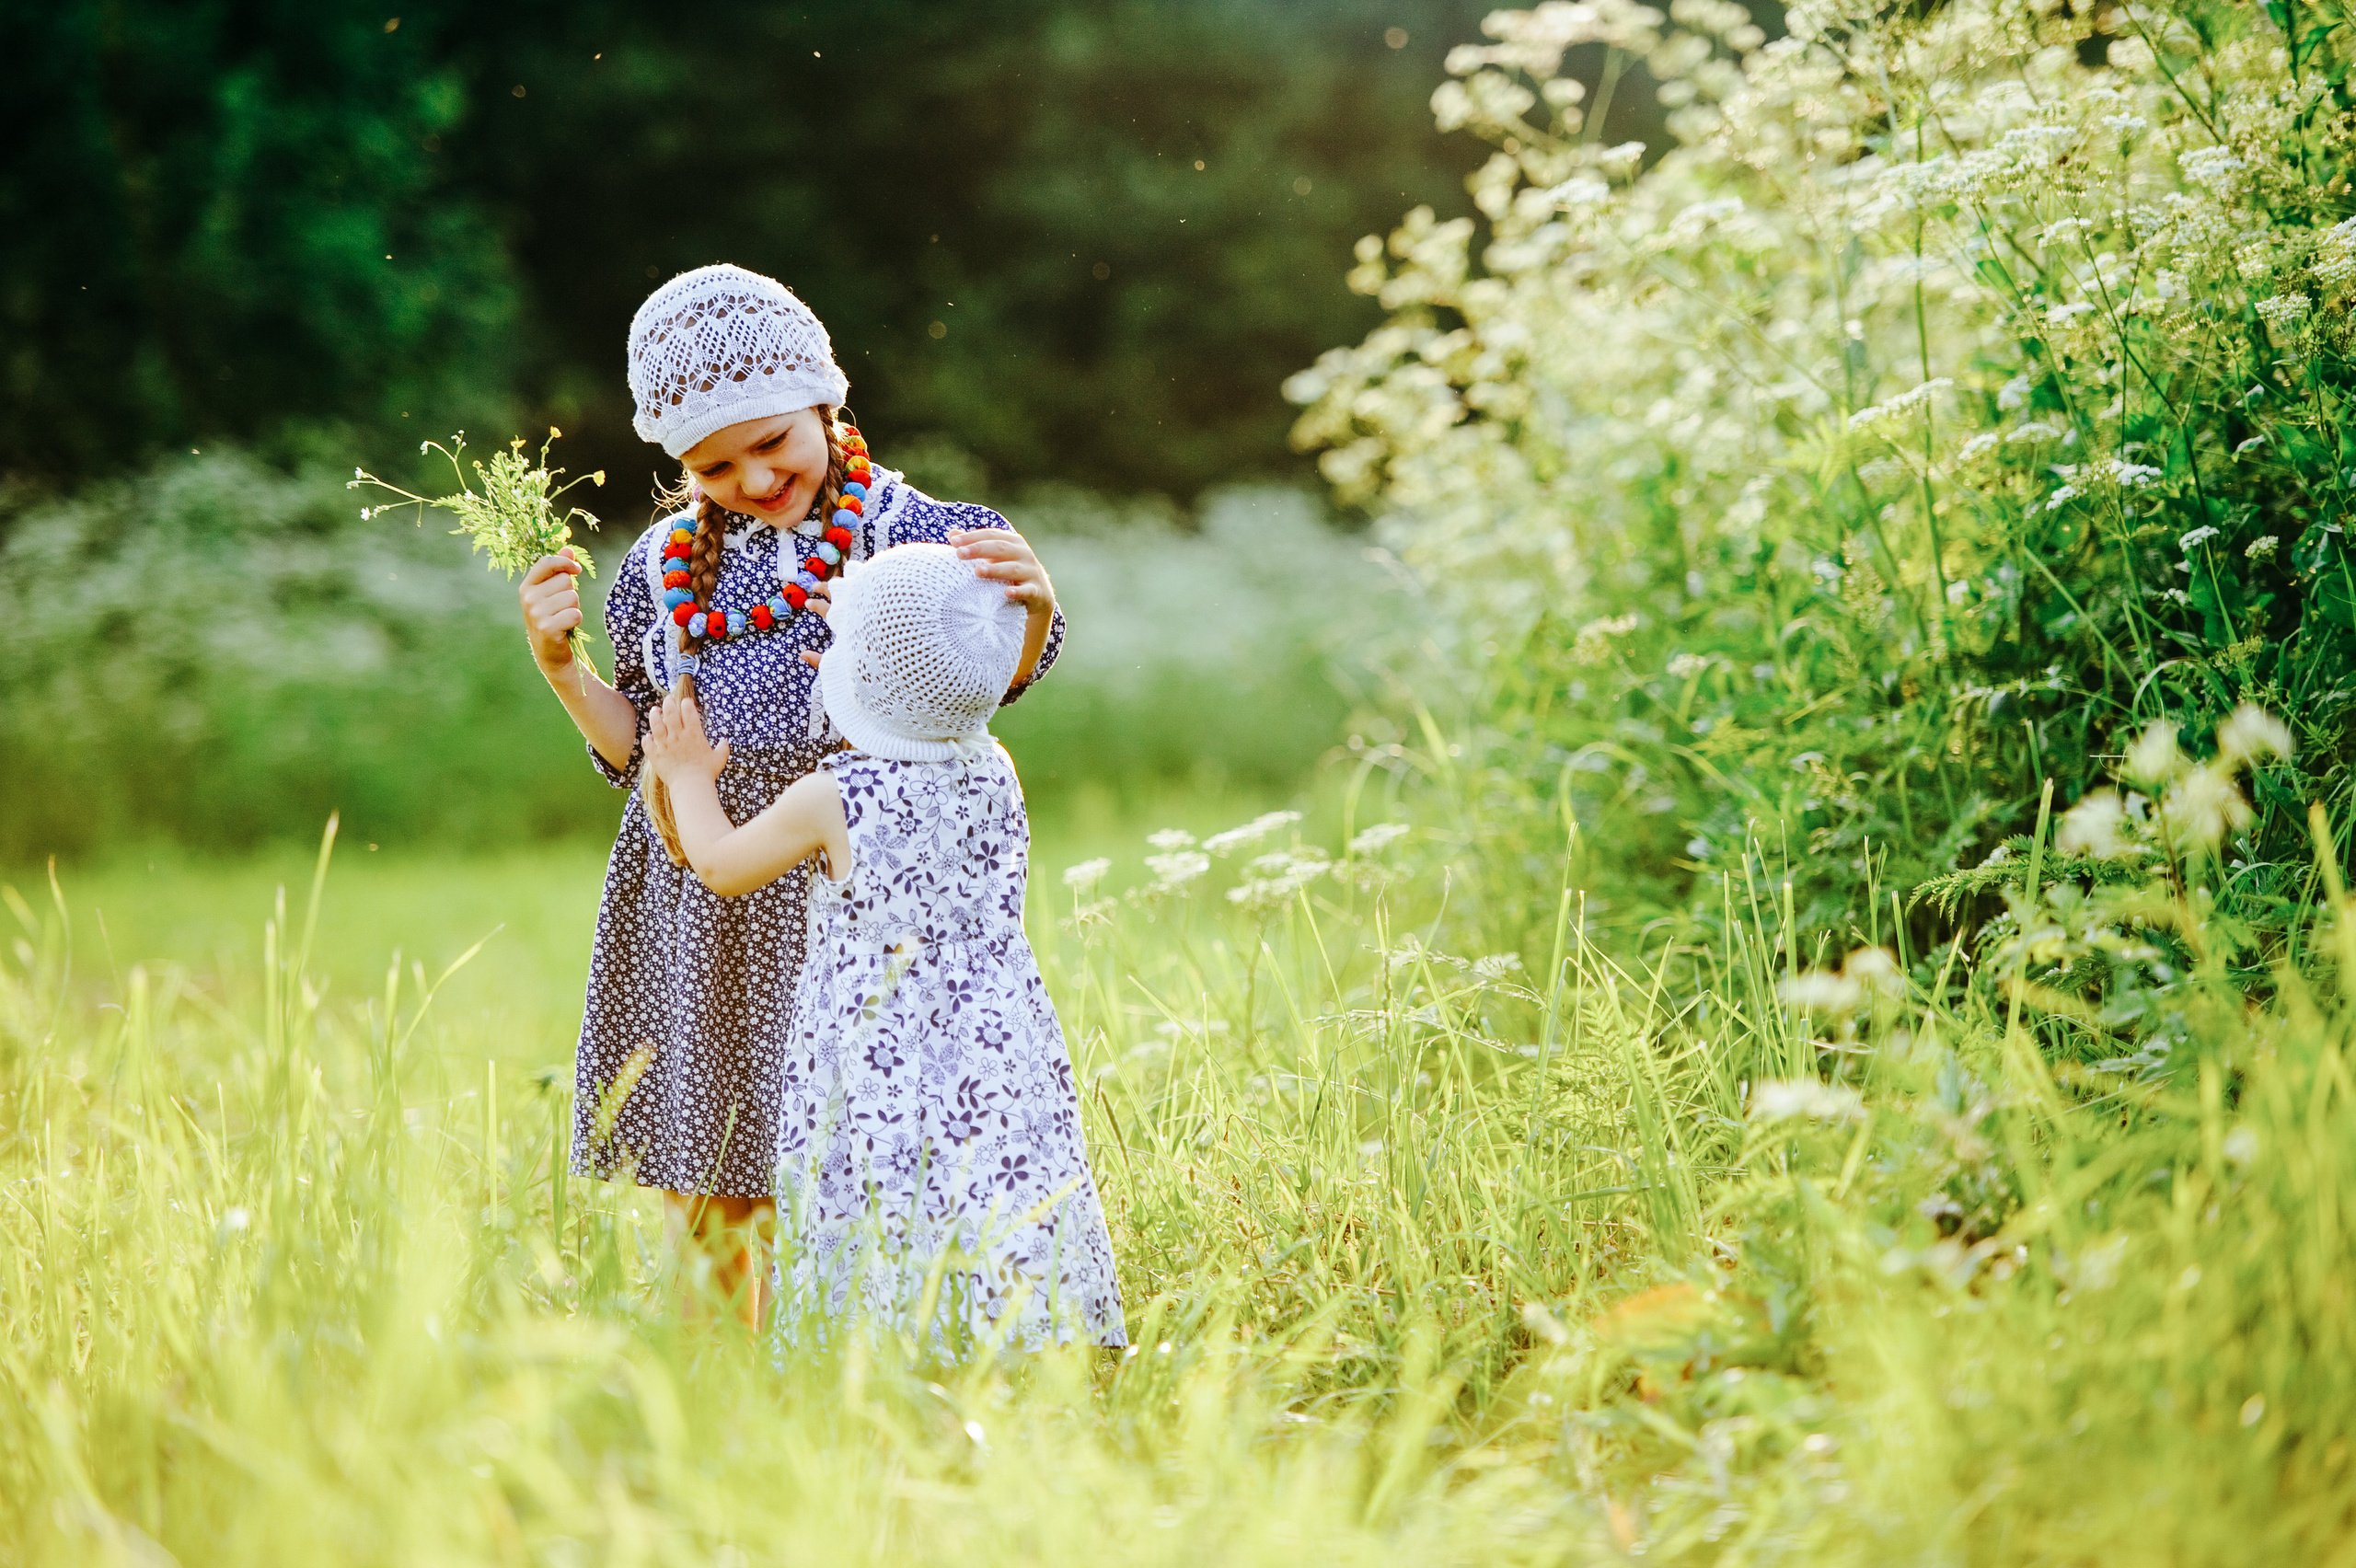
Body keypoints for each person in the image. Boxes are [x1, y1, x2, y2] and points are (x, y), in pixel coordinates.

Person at [515, 264, 1065, 1324]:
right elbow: (643, 747)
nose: (755, 478)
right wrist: (561, 668)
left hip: (854, 892)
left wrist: (1032, 615)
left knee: (867, 1151)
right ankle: (724, 1374)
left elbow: (980, 692)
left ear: (826, 398)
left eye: (771, 442)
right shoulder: (665, 569)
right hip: (706, 890)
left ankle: (867, 1355)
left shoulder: (916, 535)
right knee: (714, 1157)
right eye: (713, 465)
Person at [641, 543, 1126, 1350]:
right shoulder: (994, 765)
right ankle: (1016, 1332)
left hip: (880, 1041)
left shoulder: (834, 794)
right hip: (993, 1028)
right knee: (988, 1185)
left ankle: (882, 1344)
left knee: (879, 1187)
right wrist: (877, 645)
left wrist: (688, 776)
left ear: (862, 679)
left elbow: (722, 866)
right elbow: (938, 682)